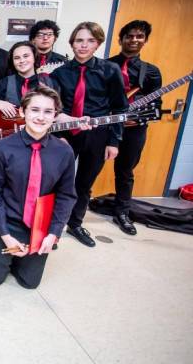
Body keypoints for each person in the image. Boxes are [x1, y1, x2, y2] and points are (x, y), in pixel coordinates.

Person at [0, 86, 77, 289]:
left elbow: (66, 196)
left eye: (48, 112)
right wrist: (5, 236)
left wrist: (53, 233)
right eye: (34, 110)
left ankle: (24, 257)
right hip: (7, 224)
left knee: (29, 283)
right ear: (22, 112)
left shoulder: (64, 152)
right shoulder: (2, 148)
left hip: (39, 227)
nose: (40, 117)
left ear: (55, 116)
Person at [52, 22, 128, 247]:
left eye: (90, 41)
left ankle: (75, 224)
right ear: (72, 43)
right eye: (79, 40)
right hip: (65, 133)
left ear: (98, 43)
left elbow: (120, 108)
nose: (83, 45)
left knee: (84, 183)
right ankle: (52, 227)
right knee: (56, 181)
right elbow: (55, 108)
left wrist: (114, 141)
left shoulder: (110, 70)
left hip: (98, 135)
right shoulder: (60, 73)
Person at [107, 20, 162, 235]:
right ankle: (77, 212)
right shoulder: (106, 65)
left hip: (133, 129)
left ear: (145, 40)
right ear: (121, 39)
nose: (134, 40)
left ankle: (121, 212)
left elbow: (156, 104)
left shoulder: (151, 72)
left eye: (139, 36)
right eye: (130, 36)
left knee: (125, 172)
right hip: (106, 127)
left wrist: (138, 119)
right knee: (88, 169)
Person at [0, 41, 55, 118]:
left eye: (26, 56)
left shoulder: (50, 83)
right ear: (12, 62)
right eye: (17, 58)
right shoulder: (2, 84)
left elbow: (57, 112)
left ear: (34, 57)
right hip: (11, 129)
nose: (22, 61)